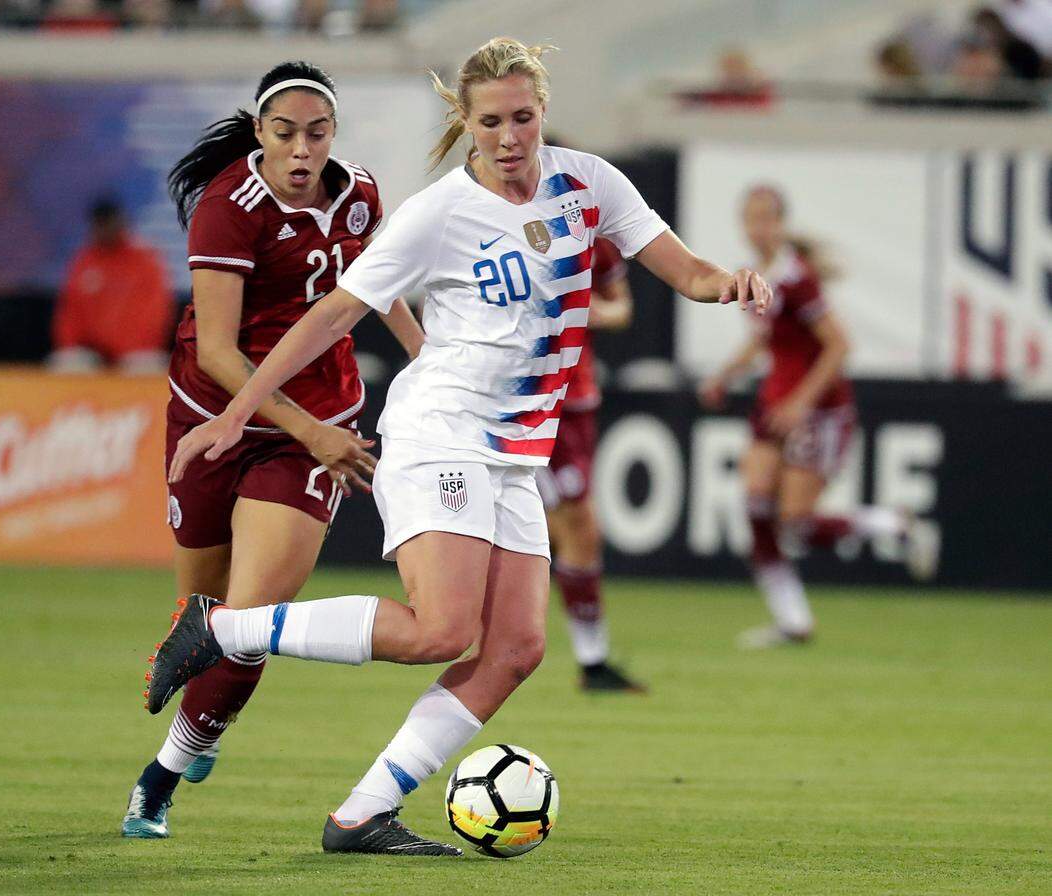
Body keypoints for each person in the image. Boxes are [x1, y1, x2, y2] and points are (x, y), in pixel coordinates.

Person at [152, 37, 772, 856]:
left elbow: (683, 271)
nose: (509, 137)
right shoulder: (437, 212)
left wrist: (726, 281)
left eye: (522, 117)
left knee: (516, 648)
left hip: (516, 451)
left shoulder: (588, 184)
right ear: (466, 124)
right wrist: (241, 413)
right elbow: (333, 316)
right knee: (441, 631)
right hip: (438, 431)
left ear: (542, 111)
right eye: (490, 122)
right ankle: (224, 630)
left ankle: (361, 814)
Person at [121, 60, 425, 839]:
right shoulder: (229, 209)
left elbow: (375, 282)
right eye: (284, 133)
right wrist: (313, 430)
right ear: (259, 133)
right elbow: (221, 353)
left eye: (316, 134)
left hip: (311, 431)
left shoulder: (357, 195)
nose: (301, 151)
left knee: (248, 621)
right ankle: (203, 717)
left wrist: (428, 357)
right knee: (200, 616)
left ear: (334, 135)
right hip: (210, 418)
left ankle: (161, 777)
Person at [698, 185, 938, 650]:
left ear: (782, 223)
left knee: (796, 523)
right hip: (774, 403)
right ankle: (792, 620)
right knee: (755, 506)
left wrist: (802, 403)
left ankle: (895, 526)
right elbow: (767, 339)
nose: (757, 227)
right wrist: (725, 376)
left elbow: (839, 345)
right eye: (750, 218)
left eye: (766, 218)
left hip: (818, 410)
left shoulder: (796, 276)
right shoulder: (761, 275)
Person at [531, 138, 643, 691]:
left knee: (572, 528)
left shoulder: (597, 236)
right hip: (529, 399)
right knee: (567, 525)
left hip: (577, 398)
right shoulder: (506, 230)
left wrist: (592, 309)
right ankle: (586, 659)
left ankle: (591, 659)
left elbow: (623, 308)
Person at [48, 198, 174, 374]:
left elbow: (156, 313)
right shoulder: (85, 261)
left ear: (120, 222)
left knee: (143, 367)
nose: (105, 230)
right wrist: (72, 345)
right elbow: (70, 312)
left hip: (136, 352)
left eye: (108, 223)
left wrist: (124, 349)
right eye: (100, 225)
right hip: (93, 352)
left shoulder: (145, 260)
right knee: (68, 362)